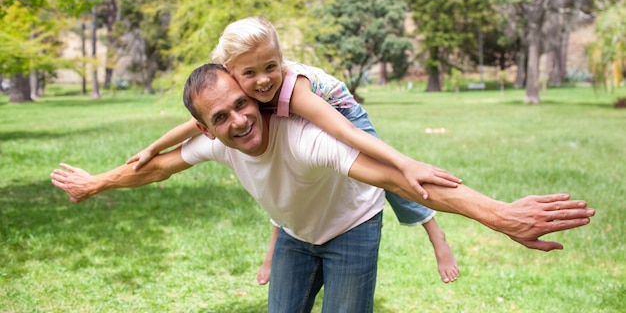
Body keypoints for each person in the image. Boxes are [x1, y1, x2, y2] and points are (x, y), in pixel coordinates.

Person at [52, 63, 594, 313]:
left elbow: (401, 179)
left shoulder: (305, 137)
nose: (241, 120)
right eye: (223, 116)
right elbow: (154, 168)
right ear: (205, 128)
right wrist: (95, 184)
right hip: (294, 233)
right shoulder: (213, 143)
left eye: (243, 103)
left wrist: (497, 214)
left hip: (351, 229)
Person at [126, 16, 462, 284]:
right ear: (231, 74)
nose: (263, 80)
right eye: (250, 73)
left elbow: (342, 129)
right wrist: (152, 147)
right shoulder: (239, 96)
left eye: (271, 66)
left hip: (343, 114)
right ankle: (275, 251)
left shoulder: (294, 90)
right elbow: (195, 123)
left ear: (280, 59)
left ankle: (435, 233)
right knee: (280, 174)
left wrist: (406, 163)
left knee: (391, 179)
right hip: (303, 123)